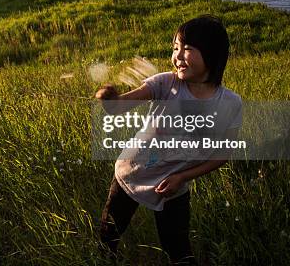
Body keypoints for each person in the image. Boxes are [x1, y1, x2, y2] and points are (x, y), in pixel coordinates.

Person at [95, 15, 242, 265]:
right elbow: (120, 107)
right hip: (132, 173)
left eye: (187, 49)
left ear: (212, 54)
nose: (178, 56)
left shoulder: (229, 103)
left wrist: (182, 178)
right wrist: (110, 99)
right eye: (175, 48)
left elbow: (222, 154)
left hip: (172, 186)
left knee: (179, 250)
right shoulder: (166, 83)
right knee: (108, 235)